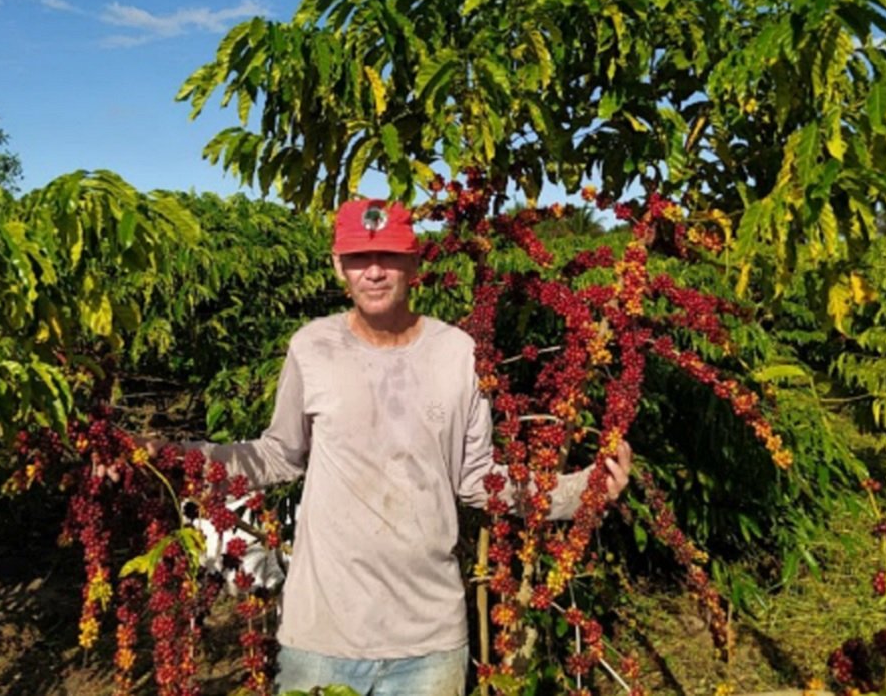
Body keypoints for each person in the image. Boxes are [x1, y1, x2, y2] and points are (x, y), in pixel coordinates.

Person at [158, 198, 633, 695]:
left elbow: (478, 481)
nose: (375, 272)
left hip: (427, 644)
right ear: (338, 265)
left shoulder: (458, 354)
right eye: (359, 258)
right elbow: (278, 454)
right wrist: (167, 456)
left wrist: (579, 492)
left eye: (389, 255)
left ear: (415, 263)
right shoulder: (311, 347)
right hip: (321, 637)